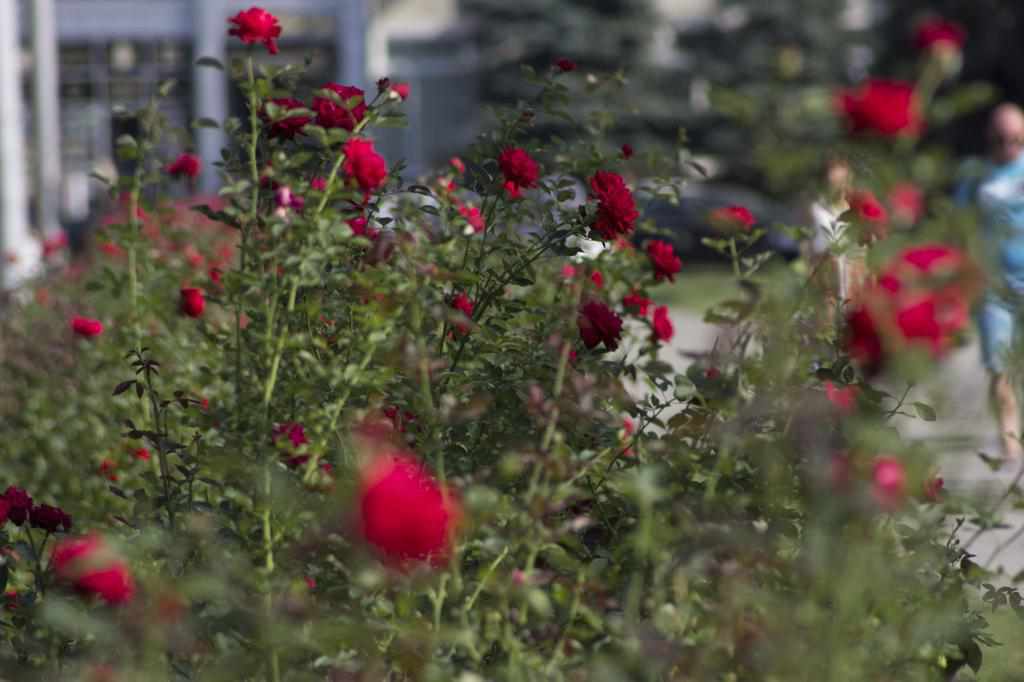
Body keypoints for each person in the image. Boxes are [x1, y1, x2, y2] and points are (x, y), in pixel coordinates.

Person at [956, 103, 1024, 460]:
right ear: (989, 138)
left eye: (1016, 138)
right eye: (1001, 139)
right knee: (999, 366)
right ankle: (1009, 437)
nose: (1009, 146)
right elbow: (960, 226)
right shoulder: (975, 175)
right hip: (992, 288)